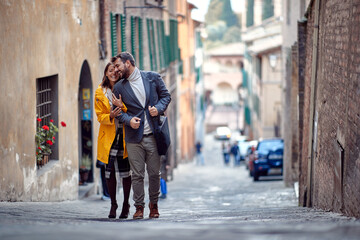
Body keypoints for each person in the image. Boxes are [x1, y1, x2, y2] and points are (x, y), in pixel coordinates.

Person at [112, 52, 171, 219]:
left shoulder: (153, 78)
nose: (116, 70)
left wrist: (158, 108)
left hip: (153, 134)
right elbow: (117, 113)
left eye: (118, 66)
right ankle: (139, 207)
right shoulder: (119, 87)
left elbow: (166, 96)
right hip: (133, 137)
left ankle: (154, 204)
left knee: (154, 173)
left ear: (128, 63)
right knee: (137, 175)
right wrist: (129, 120)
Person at [95, 62, 132, 219]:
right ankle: (113, 204)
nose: (114, 73)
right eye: (111, 71)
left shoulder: (126, 88)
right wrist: (110, 115)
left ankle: (125, 204)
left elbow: (132, 108)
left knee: (125, 173)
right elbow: (99, 116)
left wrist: (121, 105)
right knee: (109, 173)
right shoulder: (100, 92)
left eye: (116, 71)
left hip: (124, 136)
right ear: (106, 73)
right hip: (109, 137)